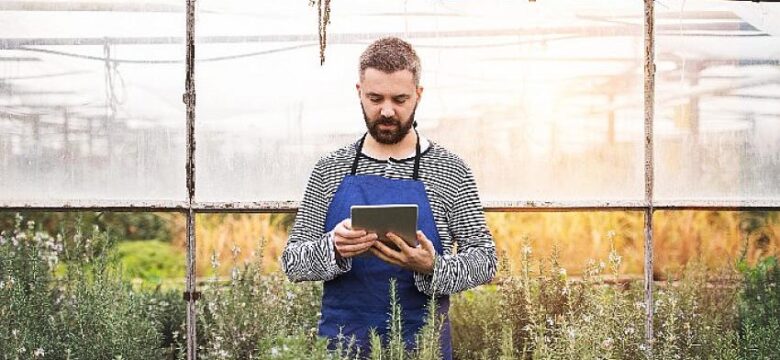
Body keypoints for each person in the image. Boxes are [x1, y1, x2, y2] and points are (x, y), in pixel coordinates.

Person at [281, 37, 496, 359]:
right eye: (375, 98)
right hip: (343, 347)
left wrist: (433, 267)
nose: (386, 111)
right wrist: (333, 248)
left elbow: (484, 260)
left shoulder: (451, 170)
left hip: (422, 348)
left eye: (399, 99)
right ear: (359, 93)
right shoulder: (329, 169)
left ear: (418, 95)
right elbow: (293, 262)